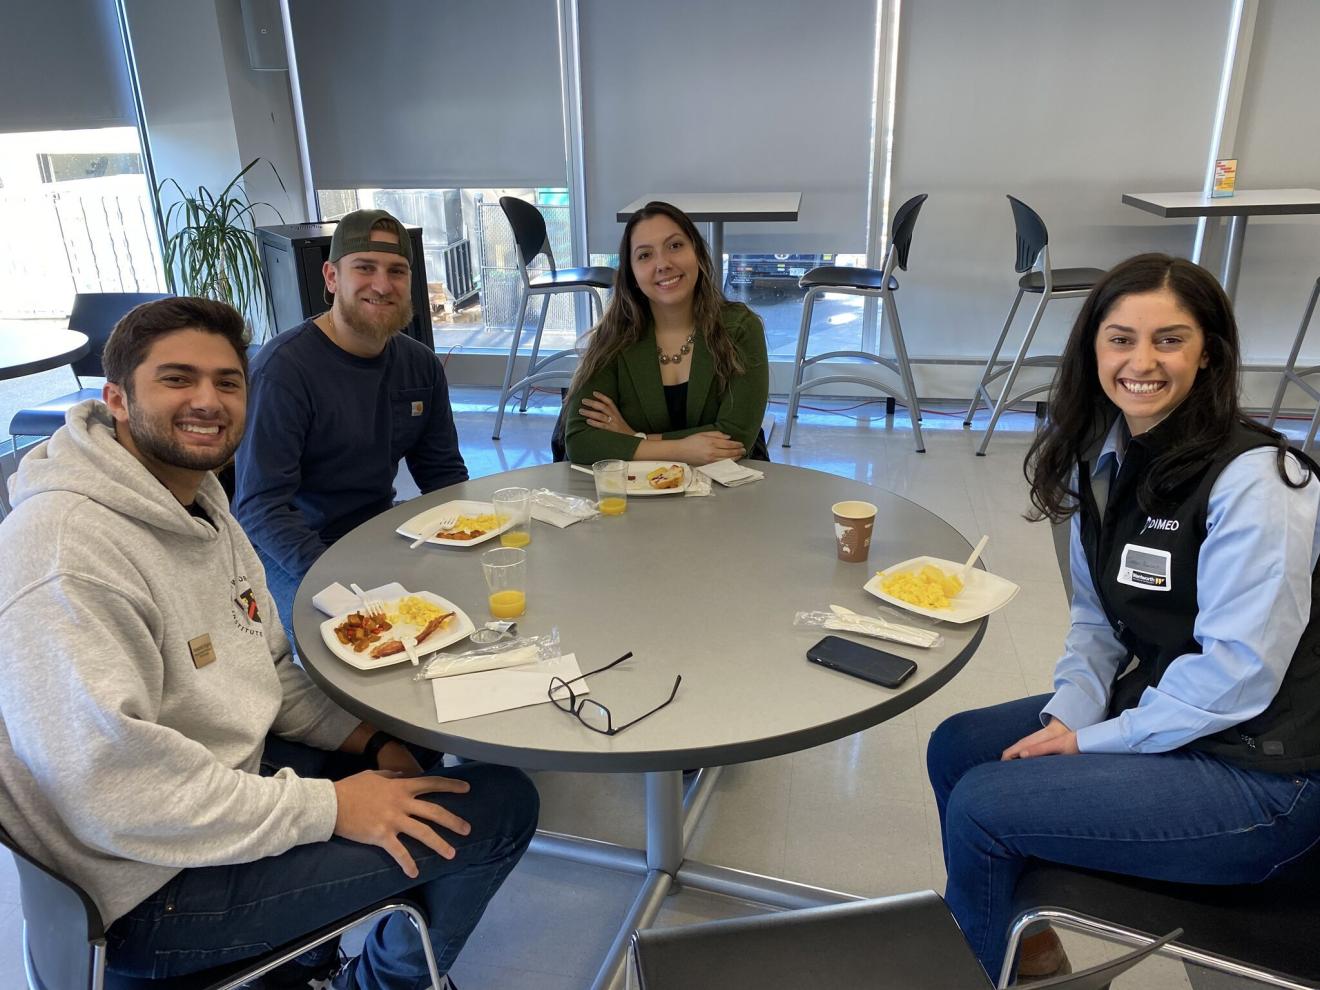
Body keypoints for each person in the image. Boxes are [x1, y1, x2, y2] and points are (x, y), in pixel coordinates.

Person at [0, 297, 538, 990]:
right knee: (501, 805)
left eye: (227, 382)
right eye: (177, 379)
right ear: (118, 400)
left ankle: (301, 960)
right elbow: (113, 790)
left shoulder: (196, 504)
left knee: (418, 752)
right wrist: (333, 808)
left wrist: (373, 745)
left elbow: (264, 668)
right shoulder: (68, 553)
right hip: (148, 892)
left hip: (205, 802)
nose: (208, 400)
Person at [926, 254, 1320, 980]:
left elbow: (1236, 677)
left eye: (1169, 340)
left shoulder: (1260, 483)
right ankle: (1031, 958)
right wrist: (1067, 717)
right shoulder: (1101, 457)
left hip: (1266, 776)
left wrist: (1093, 743)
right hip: (1182, 715)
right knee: (956, 746)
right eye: (1120, 339)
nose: (1142, 362)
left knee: (983, 805)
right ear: (1093, 349)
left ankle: (980, 970)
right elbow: (1097, 621)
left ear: (1209, 355)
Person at [234, 209, 468, 638]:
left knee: (458, 608)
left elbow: (444, 476)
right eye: (364, 268)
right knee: (362, 637)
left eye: (397, 271)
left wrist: (467, 545)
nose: (382, 285)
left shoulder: (420, 366)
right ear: (330, 277)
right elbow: (260, 508)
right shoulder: (283, 372)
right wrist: (334, 577)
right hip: (290, 549)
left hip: (375, 527)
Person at [563, 200, 769, 465]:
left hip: (727, 492)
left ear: (697, 253)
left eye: (675, 246)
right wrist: (680, 450)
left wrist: (634, 438)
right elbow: (580, 440)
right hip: (637, 497)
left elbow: (735, 437)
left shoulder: (740, 328)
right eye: (645, 255)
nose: (663, 264)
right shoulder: (613, 337)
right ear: (632, 274)